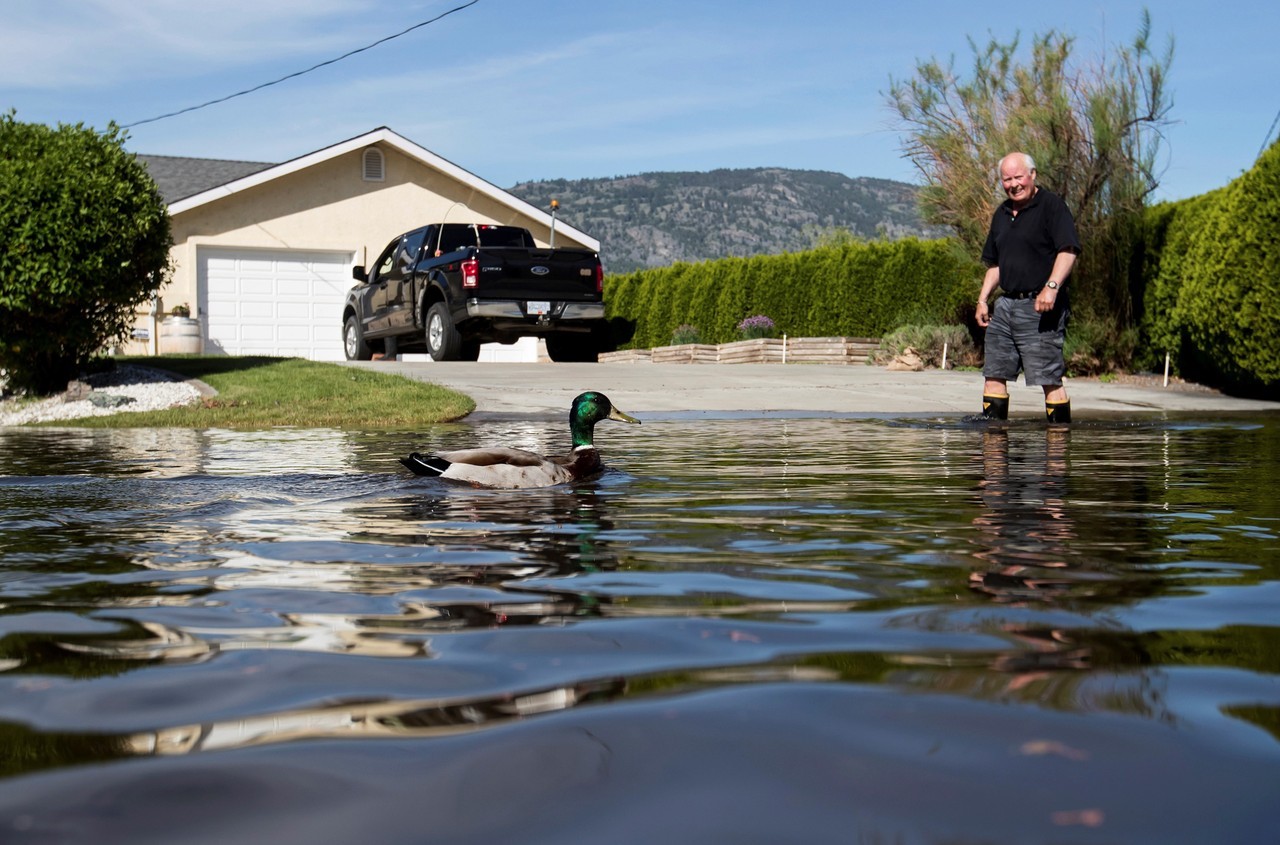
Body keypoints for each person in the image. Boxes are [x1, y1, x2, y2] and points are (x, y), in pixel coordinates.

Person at [974, 152, 1080, 423]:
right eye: (1006, 179)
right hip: (1005, 307)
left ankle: (1057, 450)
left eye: (1018, 177)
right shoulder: (1002, 213)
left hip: (1040, 308)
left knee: (1048, 378)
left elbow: (1068, 251)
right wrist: (983, 299)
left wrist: (1052, 287)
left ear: (1032, 175)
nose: (1013, 184)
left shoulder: (1052, 206)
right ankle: (994, 453)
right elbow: (996, 264)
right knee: (994, 375)